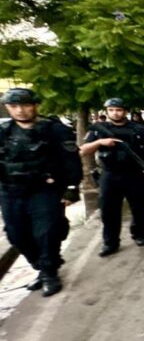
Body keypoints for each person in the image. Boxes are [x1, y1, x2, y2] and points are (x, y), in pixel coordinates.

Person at [0, 89, 82, 297]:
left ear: (35, 105)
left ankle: (49, 272)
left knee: (46, 231)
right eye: (14, 106)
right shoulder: (3, 131)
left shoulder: (54, 130)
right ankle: (41, 265)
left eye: (25, 105)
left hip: (44, 191)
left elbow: (71, 160)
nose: (20, 110)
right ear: (8, 108)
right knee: (16, 235)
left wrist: (72, 188)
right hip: (11, 191)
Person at [81, 98, 144, 257]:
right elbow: (83, 150)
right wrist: (100, 142)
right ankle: (110, 242)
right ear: (107, 111)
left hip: (134, 173)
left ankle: (139, 234)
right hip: (110, 174)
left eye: (119, 110)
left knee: (138, 207)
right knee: (109, 211)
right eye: (111, 110)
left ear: (125, 111)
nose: (115, 113)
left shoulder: (138, 129)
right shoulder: (98, 130)